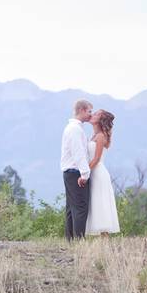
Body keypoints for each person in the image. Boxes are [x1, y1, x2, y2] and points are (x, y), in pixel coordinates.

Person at [60, 99, 93, 240]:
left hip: (70, 172)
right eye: (89, 111)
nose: (91, 115)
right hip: (75, 173)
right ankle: (79, 240)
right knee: (80, 207)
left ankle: (71, 239)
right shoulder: (75, 129)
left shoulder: (73, 128)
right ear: (82, 110)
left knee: (71, 208)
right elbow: (78, 153)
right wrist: (85, 174)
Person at [85, 109, 120, 236]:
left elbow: (96, 159)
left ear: (100, 120)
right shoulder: (93, 135)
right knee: (95, 203)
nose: (92, 115)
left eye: (95, 114)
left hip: (98, 173)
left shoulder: (100, 136)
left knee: (101, 203)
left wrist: (83, 173)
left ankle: (105, 237)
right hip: (93, 172)